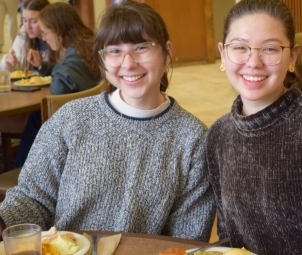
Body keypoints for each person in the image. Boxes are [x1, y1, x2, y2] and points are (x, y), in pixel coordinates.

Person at [0, 1, 215, 242]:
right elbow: (33, 198)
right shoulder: (71, 119)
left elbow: (187, 239)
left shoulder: (192, 137)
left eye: (142, 47)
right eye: (114, 51)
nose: (128, 62)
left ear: (167, 53)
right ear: (102, 61)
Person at [206, 0, 302, 254]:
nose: (253, 62)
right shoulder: (218, 136)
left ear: (293, 56)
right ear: (223, 54)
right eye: (240, 47)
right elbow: (228, 234)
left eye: (269, 48)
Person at [13, 2, 101, 168]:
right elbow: (70, 71)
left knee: (35, 117)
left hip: (80, 123)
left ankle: (22, 171)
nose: (44, 38)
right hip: (92, 115)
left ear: (59, 31)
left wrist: (55, 70)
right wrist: (43, 67)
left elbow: (59, 87)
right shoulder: (86, 44)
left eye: (46, 33)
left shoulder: (75, 52)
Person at [0, 0, 51, 72]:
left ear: (48, 19)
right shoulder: (24, 31)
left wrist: (41, 66)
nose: (28, 26)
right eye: (24, 20)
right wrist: (7, 63)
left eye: (33, 21)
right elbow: (7, 66)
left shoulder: (56, 37)